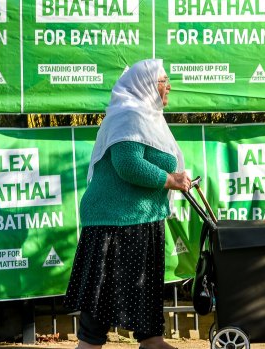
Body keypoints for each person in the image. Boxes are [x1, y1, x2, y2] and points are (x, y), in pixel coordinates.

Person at [64, 59, 191, 349]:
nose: (169, 86)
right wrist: (171, 180)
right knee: (100, 306)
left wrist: (175, 177)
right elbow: (128, 165)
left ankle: (151, 341)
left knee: (146, 304)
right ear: (145, 85)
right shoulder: (128, 115)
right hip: (114, 222)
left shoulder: (150, 118)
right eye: (163, 81)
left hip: (142, 220)